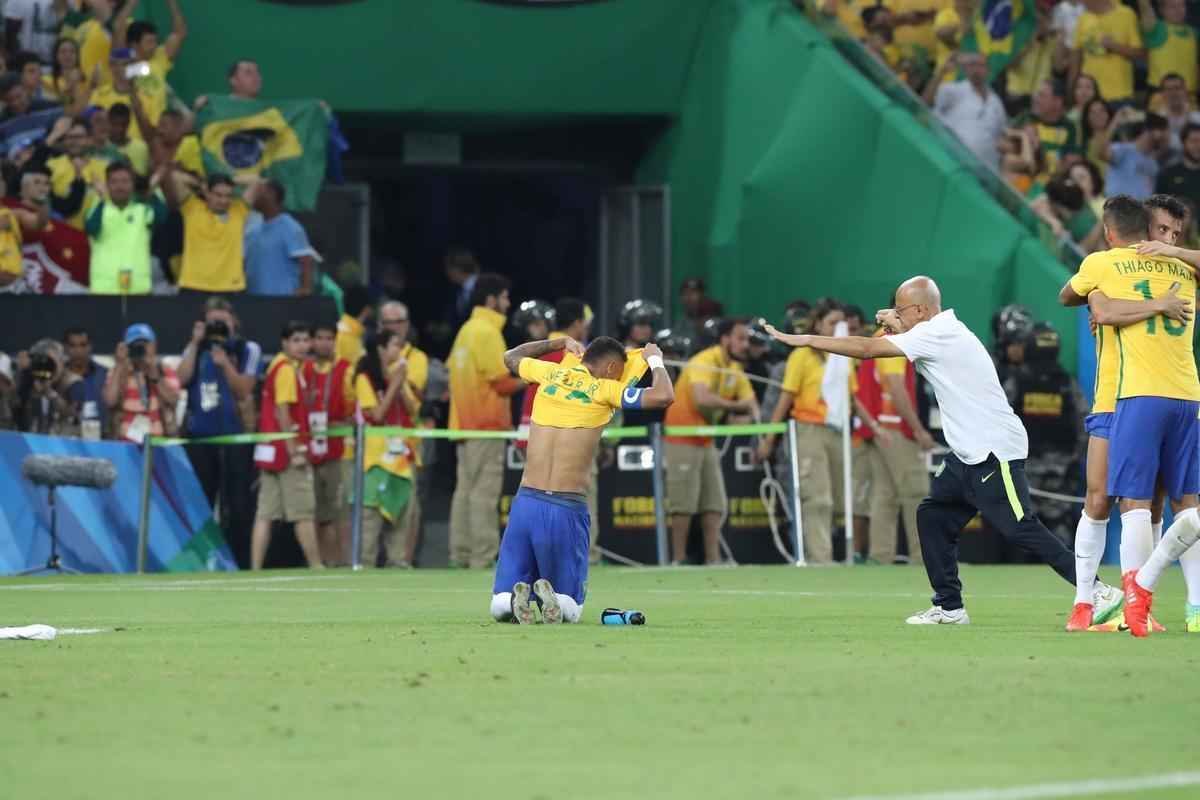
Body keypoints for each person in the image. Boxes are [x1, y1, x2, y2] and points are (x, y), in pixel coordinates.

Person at [765, 276, 1121, 625]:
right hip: (967, 453)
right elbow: (902, 337)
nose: (896, 314)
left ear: (920, 309)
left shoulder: (937, 333)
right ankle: (950, 608)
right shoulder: (933, 330)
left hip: (993, 448)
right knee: (933, 517)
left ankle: (1098, 589)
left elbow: (869, 350)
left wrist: (808, 339)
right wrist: (897, 323)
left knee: (1020, 528)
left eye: (901, 309)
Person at [1059, 196, 1200, 637]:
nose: (1167, 239)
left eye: (1177, 235)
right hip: (1113, 396)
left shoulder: (1178, 270)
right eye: (1163, 230)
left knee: (1153, 503)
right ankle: (1086, 602)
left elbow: (1088, 303)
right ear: (1144, 226)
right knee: (1101, 498)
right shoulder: (1109, 265)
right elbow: (1089, 304)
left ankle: (1145, 603)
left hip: (1144, 395)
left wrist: (1172, 259)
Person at [489, 335, 674, 623]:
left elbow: (510, 356)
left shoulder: (550, 373)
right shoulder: (606, 389)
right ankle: (557, 601)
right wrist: (655, 360)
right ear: (612, 368)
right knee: (571, 610)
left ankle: (513, 600)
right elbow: (663, 396)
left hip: (526, 501)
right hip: (565, 507)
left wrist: (557, 343)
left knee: (498, 604)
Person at [757, 300, 885, 563]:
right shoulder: (801, 355)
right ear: (817, 325)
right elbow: (786, 398)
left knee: (839, 500)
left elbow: (850, 397)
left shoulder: (843, 356)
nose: (838, 327)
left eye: (841, 323)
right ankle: (821, 560)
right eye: (831, 323)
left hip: (838, 430)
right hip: (809, 431)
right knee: (818, 498)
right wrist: (769, 439)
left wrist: (873, 426)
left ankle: (834, 555)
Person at [176, 297, 262, 569]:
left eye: (223, 322)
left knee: (237, 506)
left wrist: (225, 363)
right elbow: (182, 378)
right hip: (200, 437)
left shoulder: (248, 349)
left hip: (235, 438)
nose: (218, 328)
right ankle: (198, 563)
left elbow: (244, 390)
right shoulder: (196, 349)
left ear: (234, 322)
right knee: (200, 504)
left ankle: (237, 563)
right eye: (213, 322)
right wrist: (194, 341)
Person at [664, 318, 758, 565]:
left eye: (747, 339)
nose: (745, 344)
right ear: (725, 339)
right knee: (682, 504)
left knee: (714, 503)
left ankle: (714, 559)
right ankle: (678, 559)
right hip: (681, 436)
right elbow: (701, 398)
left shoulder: (734, 370)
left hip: (706, 441)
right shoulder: (704, 361)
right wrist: (737, 408)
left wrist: (746, 420)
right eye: (740, 338)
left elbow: (753, 407)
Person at [447, 273, 523, 569]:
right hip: (487, 426)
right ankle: (483, 557)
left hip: (463, 425)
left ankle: (460, 555)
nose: (508, 302)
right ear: (492, 300)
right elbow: (501, 383)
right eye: (505, 297)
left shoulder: (466, 330)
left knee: (464, 490)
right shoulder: (488, 333)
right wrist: (531, 378)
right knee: (484, 493)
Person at [251, 321, 323, 570]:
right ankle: (316, 566)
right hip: (286, 452)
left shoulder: (279, 366)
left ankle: (255, 569)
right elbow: (283, 413)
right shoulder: (286, 371)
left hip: (270, 451)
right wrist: (295, 452)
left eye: (306, 340)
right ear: (284, 343)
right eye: (296, 340)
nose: (303, 346)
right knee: (303, 512)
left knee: (265, 514)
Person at [353, 329, 420, 567]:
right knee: (370, 517)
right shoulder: (363, 378)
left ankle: (398, 562)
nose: (399, 351)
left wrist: (400, 384)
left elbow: (413, 411)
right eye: (394, 346)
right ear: (380, 349)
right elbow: (378, 415)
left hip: (401, 456)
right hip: (375, 460)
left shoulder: (396, 376)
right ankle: (363, 564)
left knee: (403, 512)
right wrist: (395, 384)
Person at [379, 301, 429, 567]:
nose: (394, 328)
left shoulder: (417, 358)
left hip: (407, 442)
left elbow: (416, 399)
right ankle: (367, 561)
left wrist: (397, 377)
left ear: (407, 325)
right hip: (376, 444)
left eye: (399, 322)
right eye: (388, 323)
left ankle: (404, 561)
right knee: (375, 503)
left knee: (409, 504)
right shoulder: (371, 358)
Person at [303, 321, 355, 565]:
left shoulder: (346, 369)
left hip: (338, 450)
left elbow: (355, 411)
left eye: (329, 338)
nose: (324, 343)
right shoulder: (304, 370)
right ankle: (322, 564)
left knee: (339, 512)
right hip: (310, 450)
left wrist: (340, 422)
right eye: (320, 338)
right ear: (312, 341)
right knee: (316, 513)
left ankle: (344, 563)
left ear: (336, 341)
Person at [163, 167, 257, 294]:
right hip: (194, 285)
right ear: (207, 193)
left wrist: (229, 181)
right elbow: (174, 176)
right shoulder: (192, 208)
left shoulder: (238, 210)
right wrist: (202, 182)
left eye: (228, 195)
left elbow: (257, 181)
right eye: (218, 195)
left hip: (231, 287)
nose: (224, 201)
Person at [85, 161, 166, 295]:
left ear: (132, 185)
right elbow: (92, 229)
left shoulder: (142, 209)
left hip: (138, 288)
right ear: (107, 185)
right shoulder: (97, 207)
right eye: (114, 182)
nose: (120, 186)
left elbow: (161, 217)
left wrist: (152, 189)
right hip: (103, 289)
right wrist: (102, 199)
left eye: (125, 181)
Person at [112, 0, 188, 133]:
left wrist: (171, 3)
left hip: (158, 134)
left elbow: (179, 33)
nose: (154, 46)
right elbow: (119, 24)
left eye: (155, 41)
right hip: (133, 134)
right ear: (134, 44)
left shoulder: (159, 59)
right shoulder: (123, 62)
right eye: (149, 42)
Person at [928, 52, 1008, 170]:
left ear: (988, 70)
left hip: (983, 171)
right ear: (965, 69)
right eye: (972, 65)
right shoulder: (952, 90)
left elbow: (1002, 136)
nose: (976, 69)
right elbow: (925, 102)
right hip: (951, 163)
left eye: (981, 65)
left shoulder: (996, 103)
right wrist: (941, 72)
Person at [103, 322, 180, 443]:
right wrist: (119, 364)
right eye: (135, 345)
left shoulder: (165, 370)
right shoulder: (119, 371)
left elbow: (173, 400)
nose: (140, 349)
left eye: (144, 344)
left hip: (159, 442)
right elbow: (109, 401)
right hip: (125, 443)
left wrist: (155, 376)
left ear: (154, 346)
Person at [243, 180, 318, 296]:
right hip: (254, 301)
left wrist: (305, 289)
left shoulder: (290, 227)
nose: (253, 198)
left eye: (257, 192)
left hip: (282, 302)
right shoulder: (253, 229)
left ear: (271, 194)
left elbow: (306, 260)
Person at [1070, 0, 1143, 106]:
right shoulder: (1083, 18)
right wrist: (1071, 91)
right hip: (1089, 98)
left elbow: (1139, 53)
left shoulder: (1126, 14)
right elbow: (1076, 57)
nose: (1081, 3)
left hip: (1118, 96)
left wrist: (1114, 46)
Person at [47, 117, 107, 230]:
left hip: (97, 235)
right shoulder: (51, 166)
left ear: (89, 139)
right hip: (64, 234)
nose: (74, 141)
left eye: (79, 137)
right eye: (69, 137)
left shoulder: (104, 168)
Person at [1096, 110, 1169, 199]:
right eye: (1162, 131)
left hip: (1140, 209)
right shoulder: (1123, 150)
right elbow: (1101, 153)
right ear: (1148, 130)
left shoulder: (1153, 163)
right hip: (1117, 208)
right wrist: (1115, 122)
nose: (1165, 138)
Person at [1139, 0, 1195, 93]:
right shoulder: (1155, 29)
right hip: (1161, 94)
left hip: (1190, 94)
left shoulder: (1194, 33)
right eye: (1172, 7)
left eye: (1181, 5)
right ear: (1162, 10)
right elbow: (1144, 6)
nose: (1178, 10)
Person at [62, 326, 107, 440]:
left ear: (90, 347)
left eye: (83, 345)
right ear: (65, 348)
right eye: (73, 346)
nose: (78, 351)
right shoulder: (58, 376)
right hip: (65, 441)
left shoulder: (104, 375)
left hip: (100, 440)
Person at [1156, 122, 1200, 209]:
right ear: (1183, 143)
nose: (1198, 146)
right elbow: (1158, 208)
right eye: (1194, 141)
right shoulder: (1168, 174)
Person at [445, 246, 480, 328]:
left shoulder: (483, 286)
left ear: (456, 269)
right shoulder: (457, 291)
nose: (446, 273)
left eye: (447, 268)